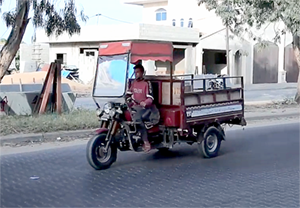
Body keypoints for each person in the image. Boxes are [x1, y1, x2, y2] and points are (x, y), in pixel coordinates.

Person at [126, 64, 159, 152]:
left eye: (138, 72)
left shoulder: (146, 83)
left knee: (137, 119)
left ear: (142, 73)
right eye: (135, 72)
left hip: (146, 108)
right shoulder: (133, 83)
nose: (136, 74)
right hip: (135, 106)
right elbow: (128, 94)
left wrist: (145, 103)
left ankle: (146, 141)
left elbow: (151, 98)